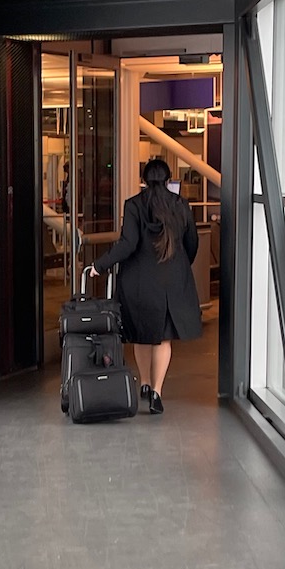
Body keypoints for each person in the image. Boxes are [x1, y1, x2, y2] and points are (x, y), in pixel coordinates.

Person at [92, 157, 201, 415]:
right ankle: (157, 392)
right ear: (167, 178)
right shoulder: (180, 205)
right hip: (171, 282)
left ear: (144, 179)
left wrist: (101, 264)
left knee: (141, 333)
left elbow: (127, 244)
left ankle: (144, 382)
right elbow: (192, 242)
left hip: (139, 281)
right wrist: (180, 266)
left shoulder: (133, 205)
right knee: (163, 338)